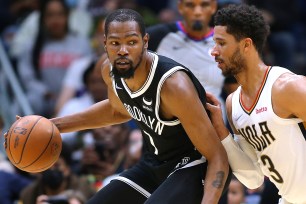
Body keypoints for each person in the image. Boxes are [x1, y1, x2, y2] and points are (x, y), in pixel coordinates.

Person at [50, 8, 230, 204]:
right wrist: (53, 126)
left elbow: (218, 157)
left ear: (145, 42)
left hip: (196, 167)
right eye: (115, 43)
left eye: (132, 42)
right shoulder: (109, 71)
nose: (123, 50)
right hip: (154, 165)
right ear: (105, 44)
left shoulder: (173, 86)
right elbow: (116, 110)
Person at [206, 4, 306, 204]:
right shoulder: (233, 104)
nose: (213, 52)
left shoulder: (288, 87)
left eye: (221, 43)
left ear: (246, 45)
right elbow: (253, 178)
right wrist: (221, 130)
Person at [146, 0, 227, 120]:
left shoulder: (224, 42)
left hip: (213, 125)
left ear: (213, 7)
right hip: (167, 125)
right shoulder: (157, 36)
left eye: (204, 5)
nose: (197, 12)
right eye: (190, 5)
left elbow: (235, 92)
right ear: (180, 7)